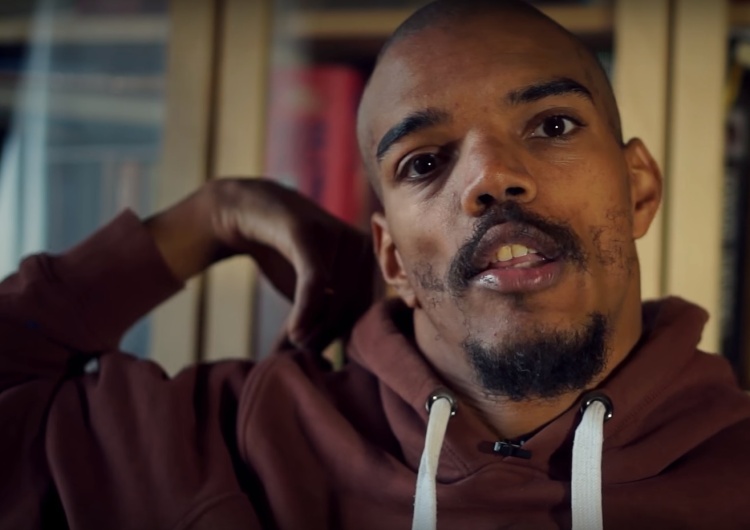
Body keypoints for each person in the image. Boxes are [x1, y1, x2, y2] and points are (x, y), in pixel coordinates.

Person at [2, 1, 749, 528]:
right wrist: (212, 216)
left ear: (639, 188)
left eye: (552, 125)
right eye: (424, 161)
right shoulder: (234, 443)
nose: (490, 177)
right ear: (390, 255)